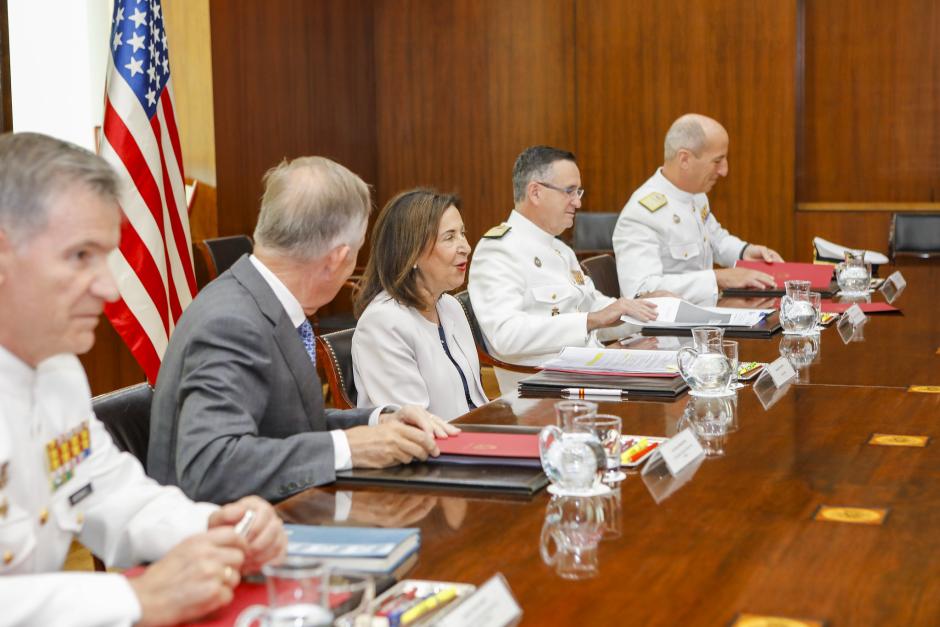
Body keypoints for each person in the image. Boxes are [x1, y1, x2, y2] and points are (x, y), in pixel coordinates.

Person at [0, 132, 286, 626]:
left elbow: (108, 492)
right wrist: (135, 599)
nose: (110, 287)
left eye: (106, 257)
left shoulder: (57, 372)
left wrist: (210, 525)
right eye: (80, 256)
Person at [149, 157, 458, 504]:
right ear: (337, 259)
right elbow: (210, 467)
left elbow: (287, 426)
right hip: (224, 543)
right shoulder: (231, 324)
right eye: (356, 254)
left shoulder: (259, 300)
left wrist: (379, 421)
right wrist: (347, 448)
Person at [468, 145, 658, 393]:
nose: (578, 202)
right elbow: (507, 336)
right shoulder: (499, 250)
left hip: (585, 376)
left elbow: (597, 308)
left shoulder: (560, 250)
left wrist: (649, 309)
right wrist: (593, 325)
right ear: (535, 193)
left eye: (578, 192)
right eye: (569, 191)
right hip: (542, 392)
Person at [613, 113, 784, 304]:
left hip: (703, 319)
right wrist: (718, 278)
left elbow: (715, 238)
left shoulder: (696, 194)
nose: (724, 170)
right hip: (666, 330)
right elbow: (641, 291)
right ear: (684, 159)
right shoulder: (641, 214)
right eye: (717, 161)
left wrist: (745, 251)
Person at [352, 189, 488, 421]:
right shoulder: (383, 324)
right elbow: (413, 426)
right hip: (434, 452)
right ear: (411, 252)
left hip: (476, 439)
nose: (466, 246)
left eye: (463, 234)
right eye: (450, 237)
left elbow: (474, 401)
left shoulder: (450, 306)